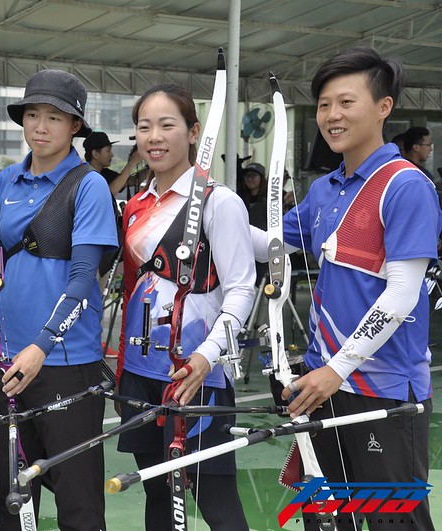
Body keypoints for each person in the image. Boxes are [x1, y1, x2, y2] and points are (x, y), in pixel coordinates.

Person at [250, 46, 440, 531]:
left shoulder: (406, 185)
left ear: (384, 107)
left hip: (383, 392)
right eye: (323, 105)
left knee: (391, 523)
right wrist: (212, 206)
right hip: (322, 385)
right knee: (325, 520)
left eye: (346, 102)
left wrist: (335, 369)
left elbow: (401, 294)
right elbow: (268, 246)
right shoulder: (325, 189)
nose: (332, 116)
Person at [0, 69, 117, 531]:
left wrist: (42, 345)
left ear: (75, 127)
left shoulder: (88, 185)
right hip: (5, 361)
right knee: (13, 497)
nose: (41, 127)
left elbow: (84, 279)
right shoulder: (5, 182)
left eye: (54, 117)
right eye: (32, 115)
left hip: (66, 362)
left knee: (78, 501)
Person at [116, 83, 255, 531]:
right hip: (140, 374)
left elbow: (241, 290)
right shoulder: (136, 205)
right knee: (157, 493)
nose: (154, 136)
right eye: (144, 127)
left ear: (193, 132)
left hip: (196, 375)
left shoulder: (220, 201)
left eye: (166, 125)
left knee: (215, 500)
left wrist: (205, 357)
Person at [83, 130, 143, 195]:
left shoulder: (105, 173)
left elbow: (129, 181)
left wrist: (150, 167)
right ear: (95, 154)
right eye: (108, 150)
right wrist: (132, 162)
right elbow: (108, 194)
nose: (112, 155)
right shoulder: (84, 176)